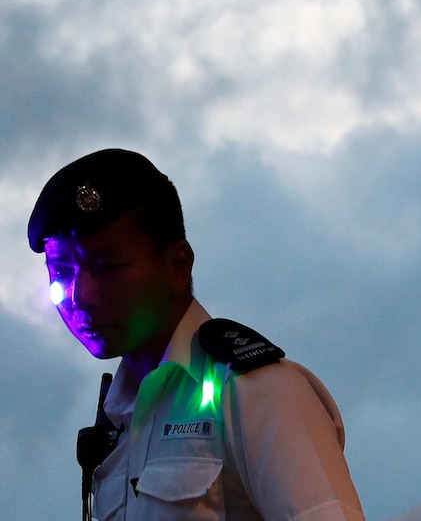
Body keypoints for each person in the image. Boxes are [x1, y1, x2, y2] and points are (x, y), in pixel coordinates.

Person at [27, 148, 366, 521]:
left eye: (108, 267)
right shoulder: (116, 425)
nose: (81, 296)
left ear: (177, 265)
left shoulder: (257, 391)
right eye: (61, 271)